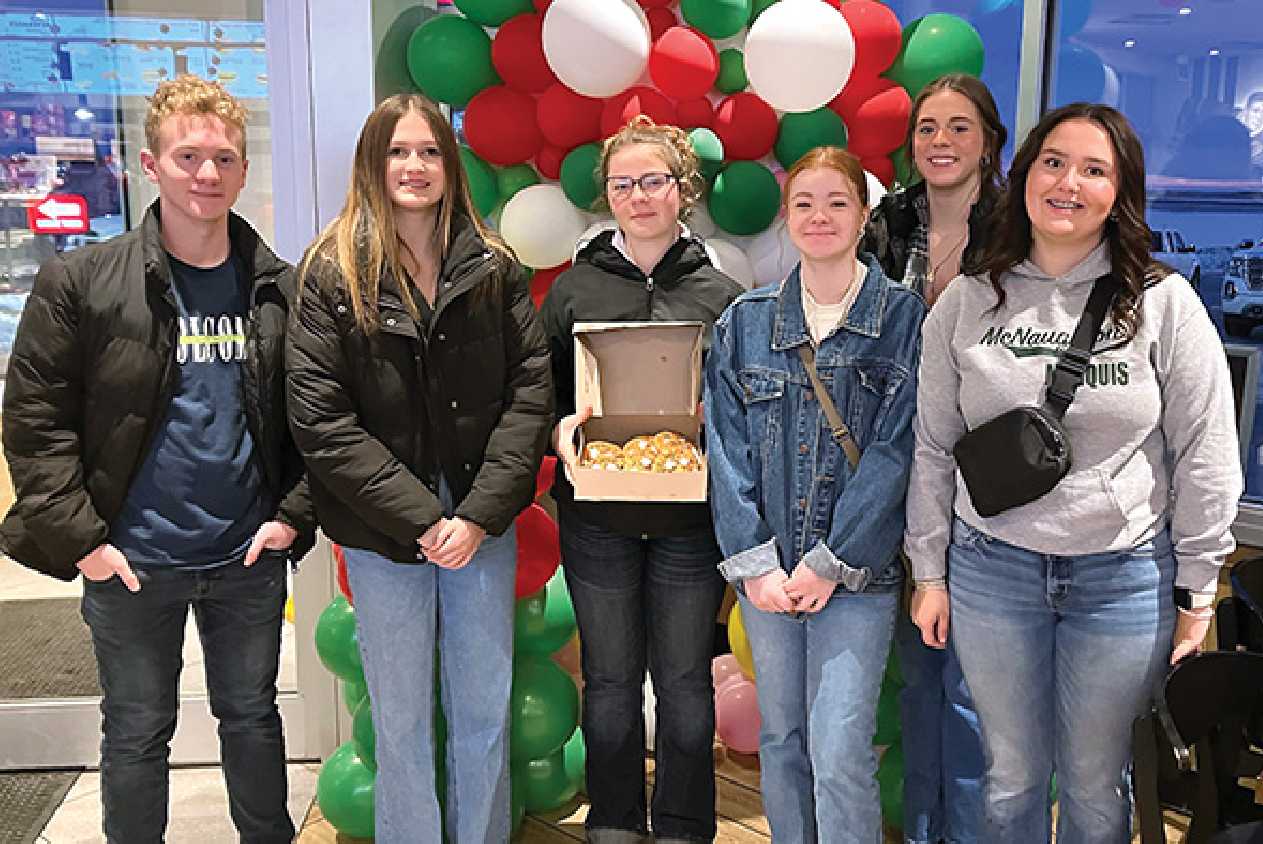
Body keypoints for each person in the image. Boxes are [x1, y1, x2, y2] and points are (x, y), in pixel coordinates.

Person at [904, 103, 1242, 843]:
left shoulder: (1162, 303)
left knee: (1096, 782)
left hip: (1120, 579)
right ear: (1025, 175)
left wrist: (1200, 585)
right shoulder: (966, 300)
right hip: (991, 569)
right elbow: (932, 446)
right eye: (1054, 162)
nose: (1069, 183)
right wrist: (929, 572)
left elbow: (1207, 450)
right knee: (1011, 775)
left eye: (1095, 170)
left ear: (1119, 193)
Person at [0, 75, 314, 843]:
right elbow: (35, 425)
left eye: (224, 158)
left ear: (243, 171)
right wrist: (86, 543)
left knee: (252, 719)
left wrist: (289, 522)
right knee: (137, 732)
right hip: (132, 560)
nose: (207, 174)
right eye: (188, 156)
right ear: (151, 164)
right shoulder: (80, 282)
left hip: (245, 555)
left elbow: (318, 423)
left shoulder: (280, 288)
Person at [286, 92, 551, 843]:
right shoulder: (329, 272)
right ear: (373, 163)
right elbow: (322, 423)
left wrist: (473, 517)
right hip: (384, 536)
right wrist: (426, 518)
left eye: (430, 151)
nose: (414, 166)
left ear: (450, 164)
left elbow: (529, 397)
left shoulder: (494, 266)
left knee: (483, 711)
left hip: (482, 527)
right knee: (400, 721)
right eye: (398, 151)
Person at [705, 146, 925, 843]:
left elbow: (897, 451)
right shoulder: (745, 322)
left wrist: (832, 560)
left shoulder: (902, 319)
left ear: (862, 216)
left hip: (856, 579)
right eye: (804, 203)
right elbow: (726, 448)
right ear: (787, 217)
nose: (820, 216)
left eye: (837, 202)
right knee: (783, 741)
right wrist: (755, 562)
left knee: (838, 752)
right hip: (766, 577)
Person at [543, 114, 742, 844]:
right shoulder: (574, 291)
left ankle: (686, 823)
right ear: (608, 196)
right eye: (623, 184)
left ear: (682, 189)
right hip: (598, 519)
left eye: (653, 181)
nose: (638, 196)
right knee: (610, 682)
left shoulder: (720, 296)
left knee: (688, 682)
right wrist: (561, 430)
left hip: (692, 522)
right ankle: (616, 819)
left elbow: (744, 411)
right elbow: (540, 396)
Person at [860, 72, 1004, 844]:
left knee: (973, 692)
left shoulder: (1020, 229)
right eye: (926, 128)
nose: (940, 142)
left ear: (989, 141)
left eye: (958, 127)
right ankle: (922, 831)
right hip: (896, 471)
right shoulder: (884, 224)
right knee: (918, 681)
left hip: (986, 483)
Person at [1242, 91, 1263, 179]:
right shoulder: (1231, 125)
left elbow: (1253, 175)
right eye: (1255, 111)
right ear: (1246, 111)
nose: (1260, 116)